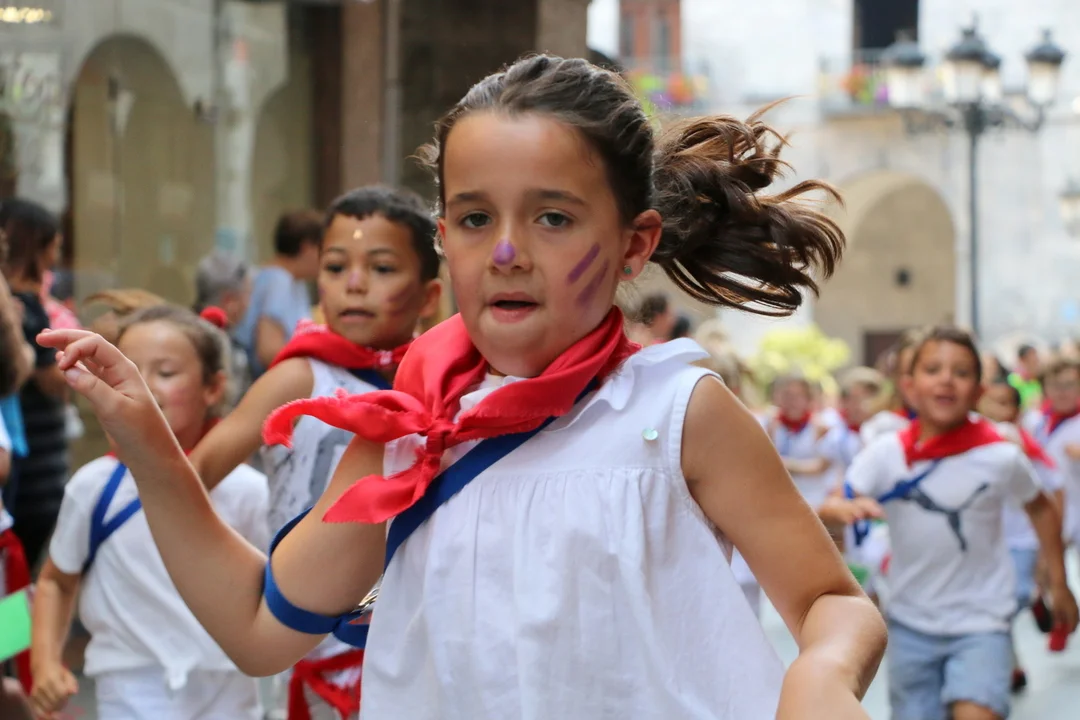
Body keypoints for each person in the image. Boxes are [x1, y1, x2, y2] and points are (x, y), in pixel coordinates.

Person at [40, 55, 886, 718]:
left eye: (553, 218)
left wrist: (820, 672)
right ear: (445, 237)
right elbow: (260, 628)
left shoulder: (677, 412)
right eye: (477, 219)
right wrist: (148, 446)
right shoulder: (408, 431)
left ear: (634, 244)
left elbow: (833, 602)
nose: (508, 252)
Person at [187, 186, 442, 719]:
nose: (354, 283)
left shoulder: (440, 385)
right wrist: (227, 577)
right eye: (335, 266)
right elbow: (195, 474)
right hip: (310, 647)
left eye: (381, 268)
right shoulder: (300, 376)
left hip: (409, 643)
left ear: (429, 295)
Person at [29, 305, 268, 720]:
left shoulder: (248, 491)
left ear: (213, 388)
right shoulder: (93, 487)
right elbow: (56, 581)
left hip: (228, 690)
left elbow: (277, 589)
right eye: (129, 370)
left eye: (166, 372)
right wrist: (44, 664)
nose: (143, 386)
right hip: (129, 688)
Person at [845, 327, 1077, 720]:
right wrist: (845, 509)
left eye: (962, 372)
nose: (946, 379)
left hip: (982, 620)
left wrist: (1059, 581)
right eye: (932, 369)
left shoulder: (1000, 455)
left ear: (977, 390)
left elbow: (1040, 507)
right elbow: (842, 498)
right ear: (909, 385)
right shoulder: (886, 453)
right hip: (910, 620)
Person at [978, 379, 1061, 693]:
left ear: (1015, 410)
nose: (996, 408)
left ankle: (1036, 599)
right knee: (995, 607)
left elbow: (1049, 494)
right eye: (991, 401)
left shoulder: (1010, 438)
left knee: (1015, 598)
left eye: (1004, 403)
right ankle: (1011, 665)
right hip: (990, 538)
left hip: (1022, 538)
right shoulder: (972, 436)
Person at [0, 198, 69, 568]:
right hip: (30, 464)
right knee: (17, 565)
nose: (54, 259)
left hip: (25, 453)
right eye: (52, 247)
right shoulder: (24, 305)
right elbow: (41, 375)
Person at [236, 210, 323, 379]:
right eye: (323, 249)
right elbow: (269, 350)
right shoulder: (278, 282)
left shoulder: (294, 281)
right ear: (307, 248)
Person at [194, 251, 254, 406]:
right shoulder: (230, 352)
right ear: (229, 300)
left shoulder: (176, 329)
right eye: (248, 294)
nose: (249, 304)